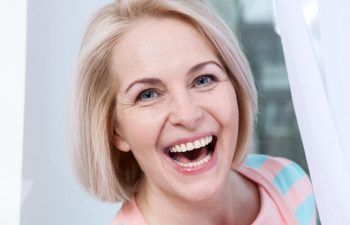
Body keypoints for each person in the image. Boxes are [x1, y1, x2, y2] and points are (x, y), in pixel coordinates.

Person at [71, 0, 317, 224]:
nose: (187, 115)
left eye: (203, 80)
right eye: (148, 94)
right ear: (116, 131)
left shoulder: (289, 184)